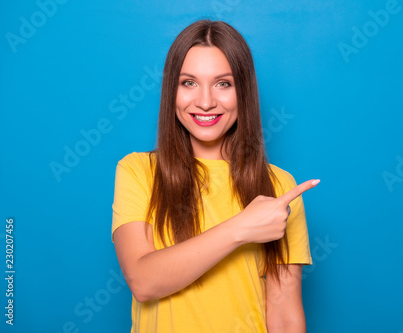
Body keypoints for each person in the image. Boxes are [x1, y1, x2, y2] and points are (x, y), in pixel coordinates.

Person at [112, 19, 319, 333]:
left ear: (243, 92)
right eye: (189, 83)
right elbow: (143, 281)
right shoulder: (138, 171)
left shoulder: (279, 187)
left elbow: (285, 316)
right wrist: (242, 227)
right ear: (172, 91)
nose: (206, 101)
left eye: (224, 83)